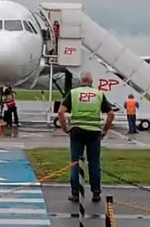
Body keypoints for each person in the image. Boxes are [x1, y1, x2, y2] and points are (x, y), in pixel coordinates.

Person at [57, 71, 114, 203]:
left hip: (76, 132)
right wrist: (105, 130)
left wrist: (65, 128)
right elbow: (111, 114)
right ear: (91, 82)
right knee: (94, 163)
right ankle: (96, 193)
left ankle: (75, 193)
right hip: (94, 132)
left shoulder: (73, 93)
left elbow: (61, 112)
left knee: (75, 163)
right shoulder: (99, 94)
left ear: (80, 81)